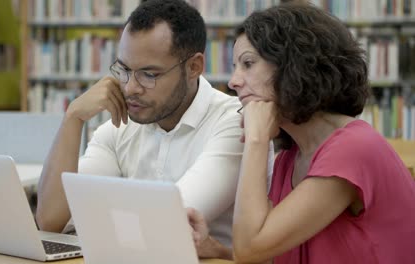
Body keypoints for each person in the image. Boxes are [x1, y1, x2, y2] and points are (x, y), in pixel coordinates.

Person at [35, 0, 274, 259]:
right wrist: (73, 118)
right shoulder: (122, 124)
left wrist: (97, 214)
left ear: (194, 67)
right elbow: (50, 221)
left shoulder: (233, 124)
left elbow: (166, 226)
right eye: (124, 70)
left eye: (149, 74)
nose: (130, 88)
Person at [189, 2, 415, 264]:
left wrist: (257, 139)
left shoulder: (354, 148)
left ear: (294, 64)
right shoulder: (290, 157)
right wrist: (217, 249)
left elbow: (250, 248)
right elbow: (275, 250)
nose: (233, 81)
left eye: (248, 64)